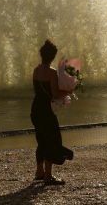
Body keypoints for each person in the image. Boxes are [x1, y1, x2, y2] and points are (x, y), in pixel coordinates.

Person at [31, 39, 74, 185]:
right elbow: (55, 93)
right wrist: (69, 89)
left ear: (42, 55)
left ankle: (39, 172)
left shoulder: (36, 70)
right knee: (52, 140)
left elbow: (36, 90)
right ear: (53, 57)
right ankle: (48, 177)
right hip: (45, 110)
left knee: (41, 140)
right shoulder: (51, 72)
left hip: (35, 109)